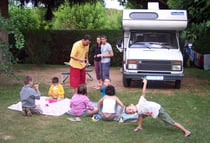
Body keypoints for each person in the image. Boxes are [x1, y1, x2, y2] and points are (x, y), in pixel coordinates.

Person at [125, 78, 191, 137]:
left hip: (158, 110)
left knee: (170, 122)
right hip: (149, 111)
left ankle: (186, 131)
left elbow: (143, 93)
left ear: (132, 105)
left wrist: (145, 82)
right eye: (130, 113)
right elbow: (140, 114)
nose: (131, 111)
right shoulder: (138, 110)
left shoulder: (140, 103)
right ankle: (139, 127)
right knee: (141, 116)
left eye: (130, 109)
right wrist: (137, 120)